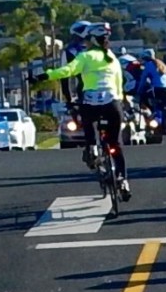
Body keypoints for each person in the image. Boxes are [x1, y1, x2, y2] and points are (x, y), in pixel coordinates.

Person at [36, 22, 131, 200]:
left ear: (92, 40)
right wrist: (121, 104)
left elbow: (66, 72)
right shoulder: (112, 57)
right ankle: (123, 180)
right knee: (116, 144)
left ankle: (93, 148)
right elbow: (119, 85)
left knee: (90, 125)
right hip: (113, 103)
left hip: (89, 101)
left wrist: (44, 75)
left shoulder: (84, 56)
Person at [59, 20, 91, 105]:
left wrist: (69, 100)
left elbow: (64, 79)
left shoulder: (69, 51)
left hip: (85, 92)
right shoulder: (100, 48)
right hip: (107, 91)